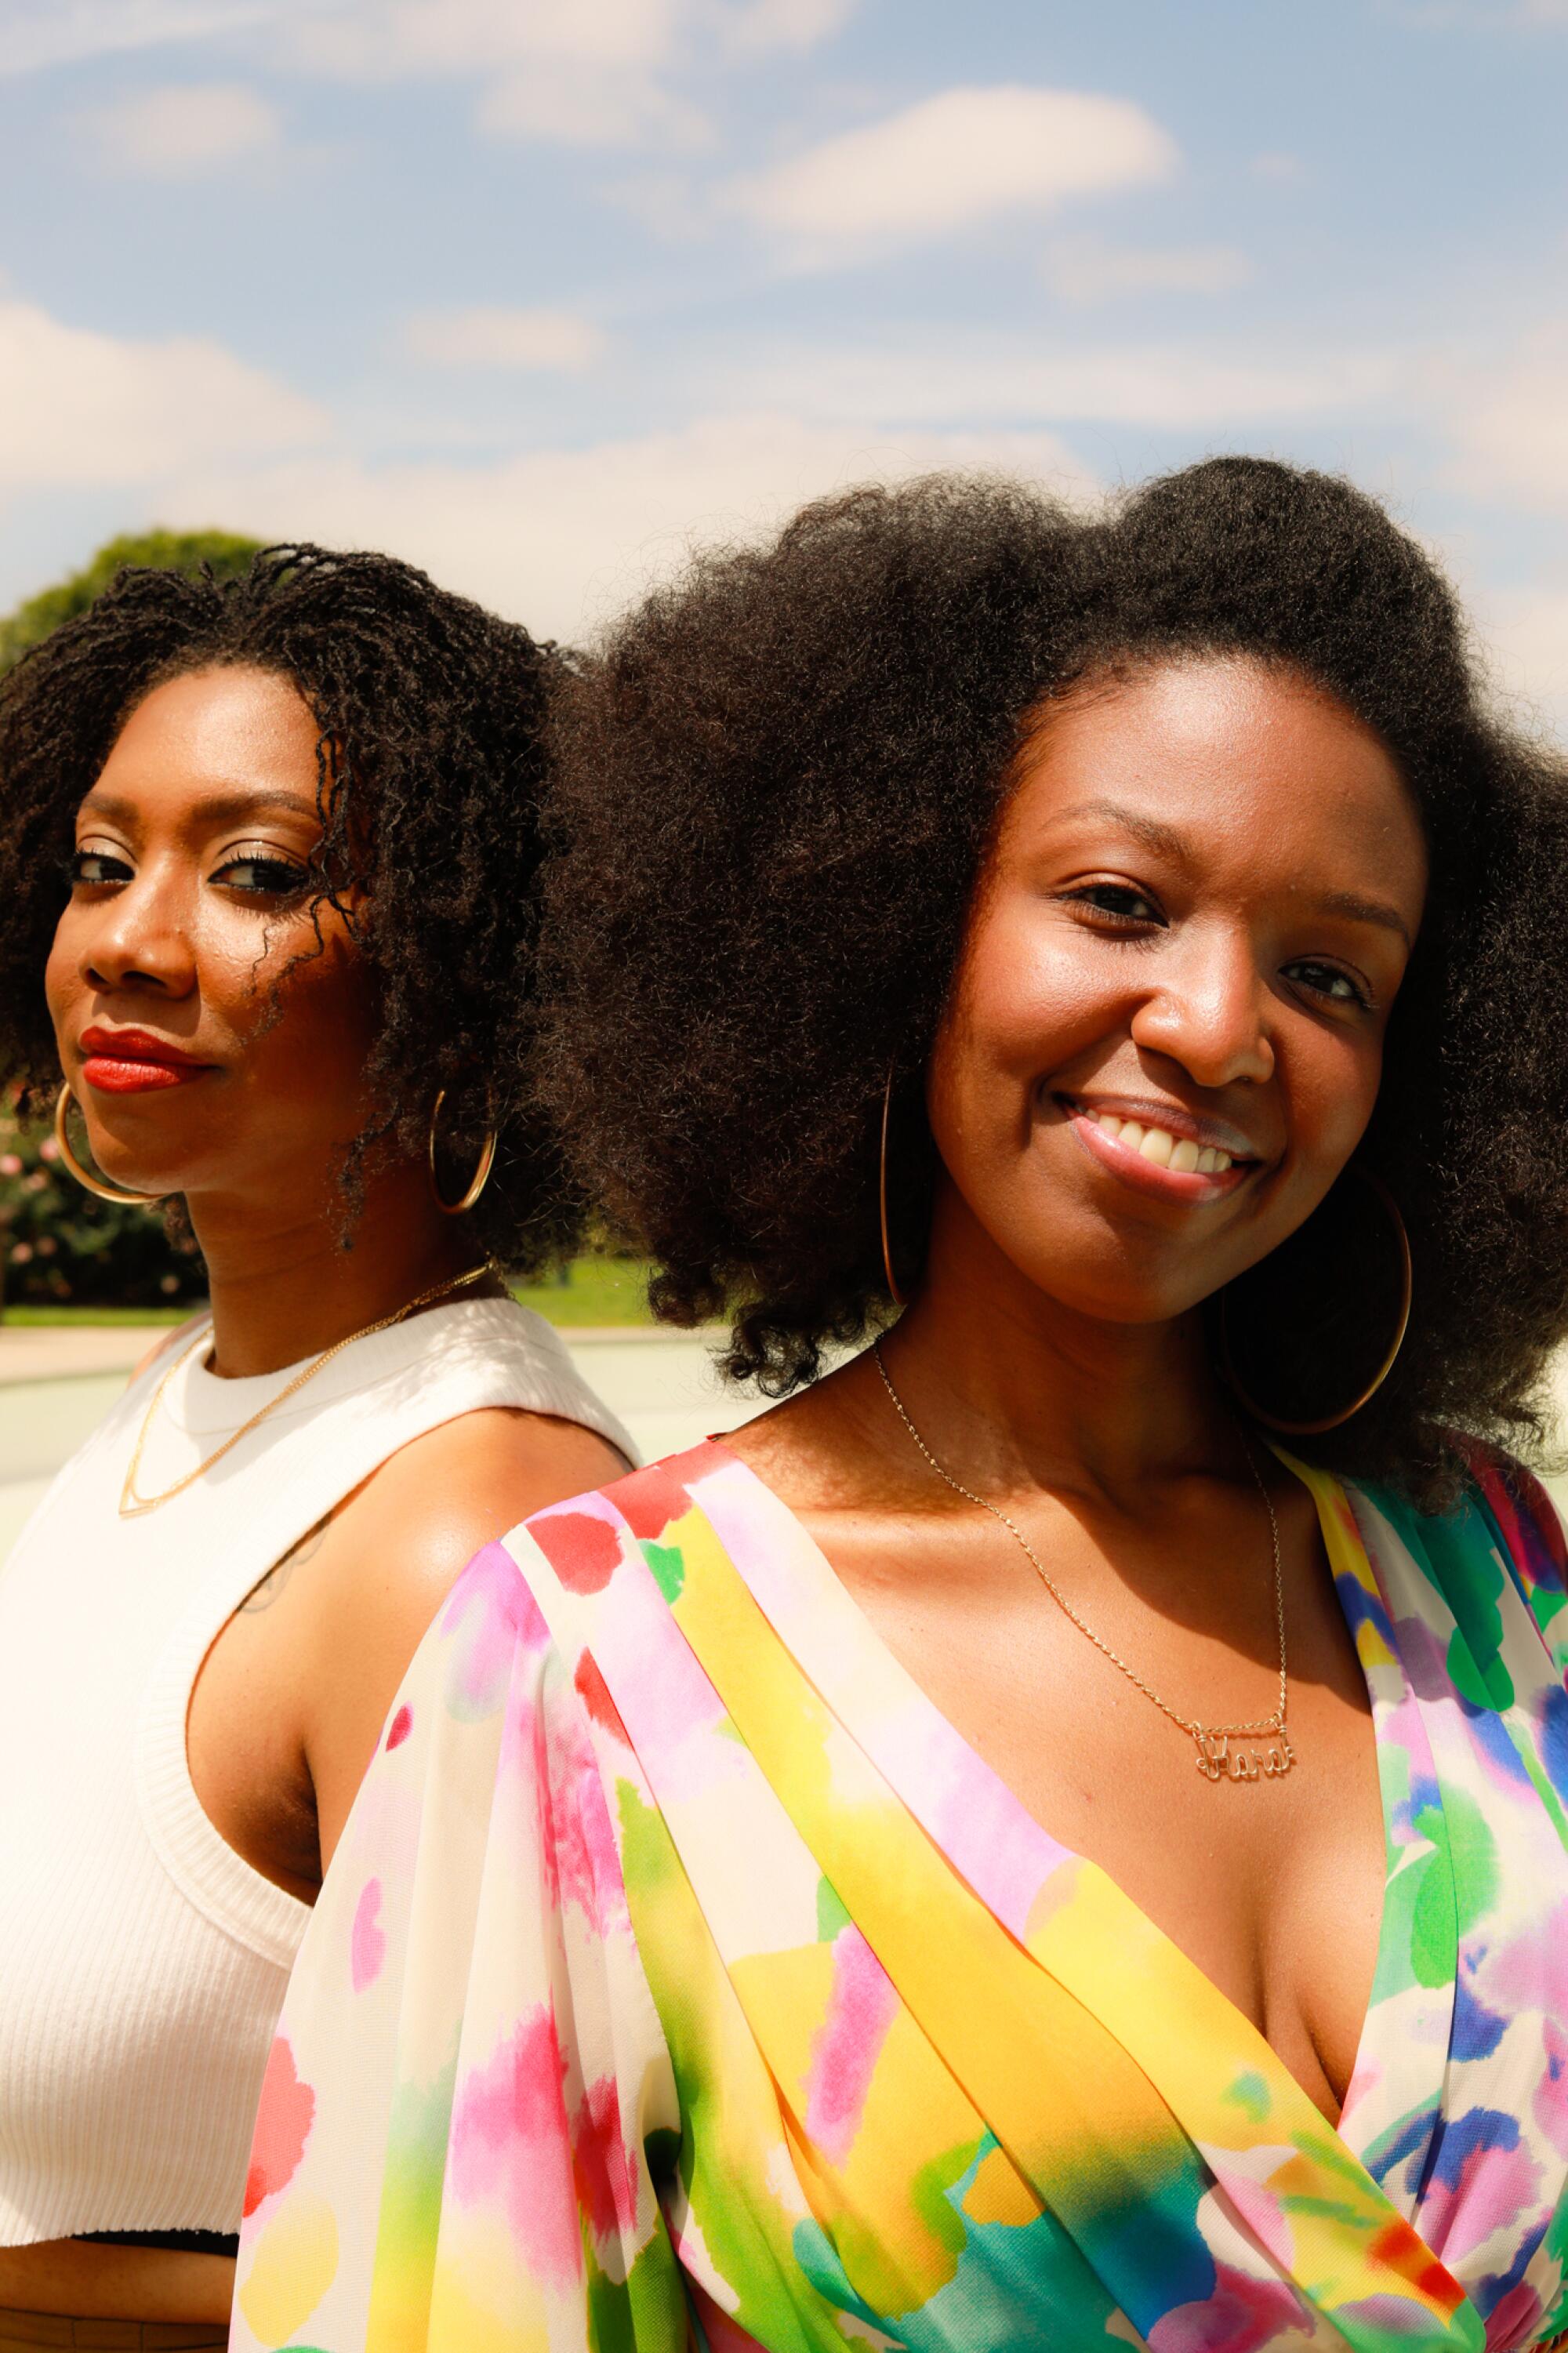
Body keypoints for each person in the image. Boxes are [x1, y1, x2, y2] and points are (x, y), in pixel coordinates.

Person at [233, 463, 1568, 2353]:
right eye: (1117, 901)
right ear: (886, 915)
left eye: (1327, 970)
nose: (1213, 1021)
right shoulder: (593, 1663)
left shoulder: (1492, 1580)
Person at [0, 546, 634, 2349]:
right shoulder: (184, 1400)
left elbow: (489, 2278)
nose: (129, 937)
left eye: (258, 874)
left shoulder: (461, 1532)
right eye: (101, 864)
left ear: (460, 964)